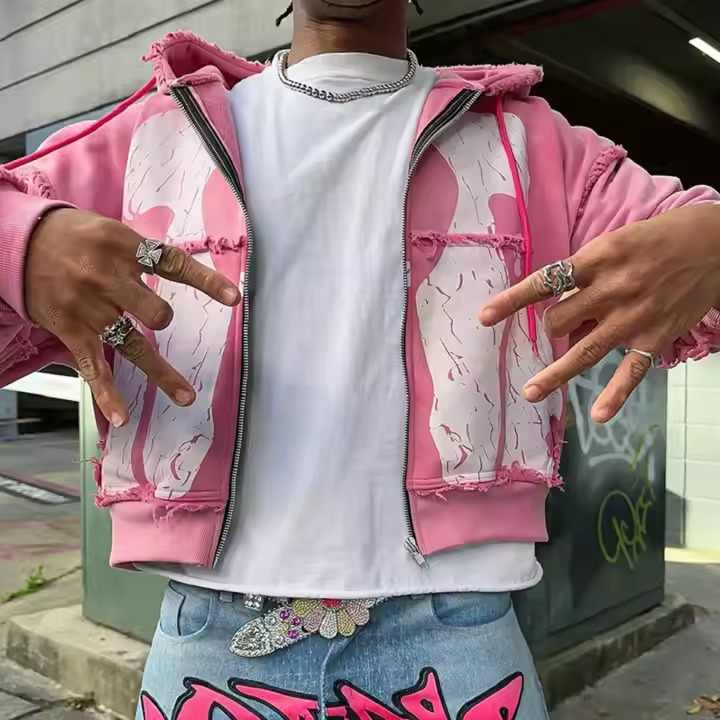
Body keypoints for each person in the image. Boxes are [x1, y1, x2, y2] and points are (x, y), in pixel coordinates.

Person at [1, 1, 719, 718]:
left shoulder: (528, 140)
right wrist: (21, 244)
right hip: (212, 640)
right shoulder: (157, 133)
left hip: (460, 642)